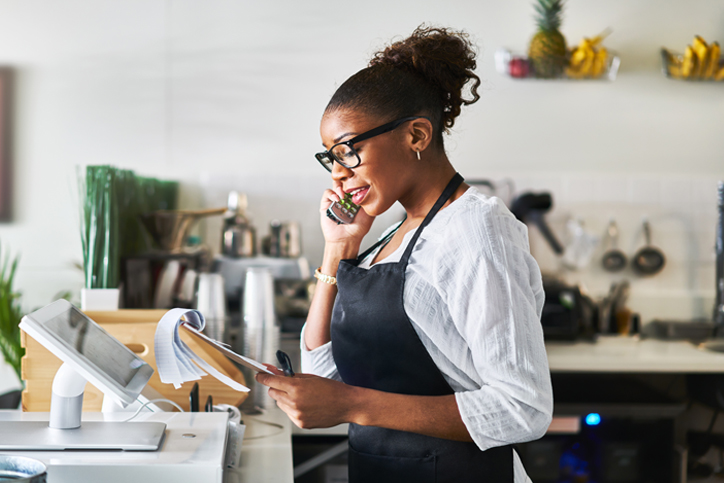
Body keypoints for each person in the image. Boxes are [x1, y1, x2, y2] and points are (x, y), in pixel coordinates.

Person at [256, 25, 553, 483]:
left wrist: (353, 405)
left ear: (416, 135)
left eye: (348, 151)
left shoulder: (476, 229)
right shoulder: (391, 233)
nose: (337, 174)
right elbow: (326, 372)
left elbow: (523, 407)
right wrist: (338, 247)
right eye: (329, 158)